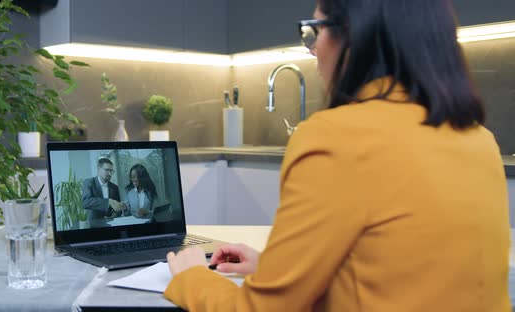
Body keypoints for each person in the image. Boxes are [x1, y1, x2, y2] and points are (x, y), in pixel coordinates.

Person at [164, 0, 511, 311]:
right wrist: (275, 268)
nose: (312, 50)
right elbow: (405, 273)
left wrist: (192, 277)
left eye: (314, 32)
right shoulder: (480, 141)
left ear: (352, 35)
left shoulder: (334, 138)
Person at [82, 158, 124, 227]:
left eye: (111, 171)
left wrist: (115, 214)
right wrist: (108, 201)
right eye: (107, 170)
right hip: (94, 225)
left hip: (112, 224)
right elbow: (86, 202)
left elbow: (117, 209)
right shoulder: (89, 182)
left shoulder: (115, 187)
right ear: (99, 169)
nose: (110, 173)